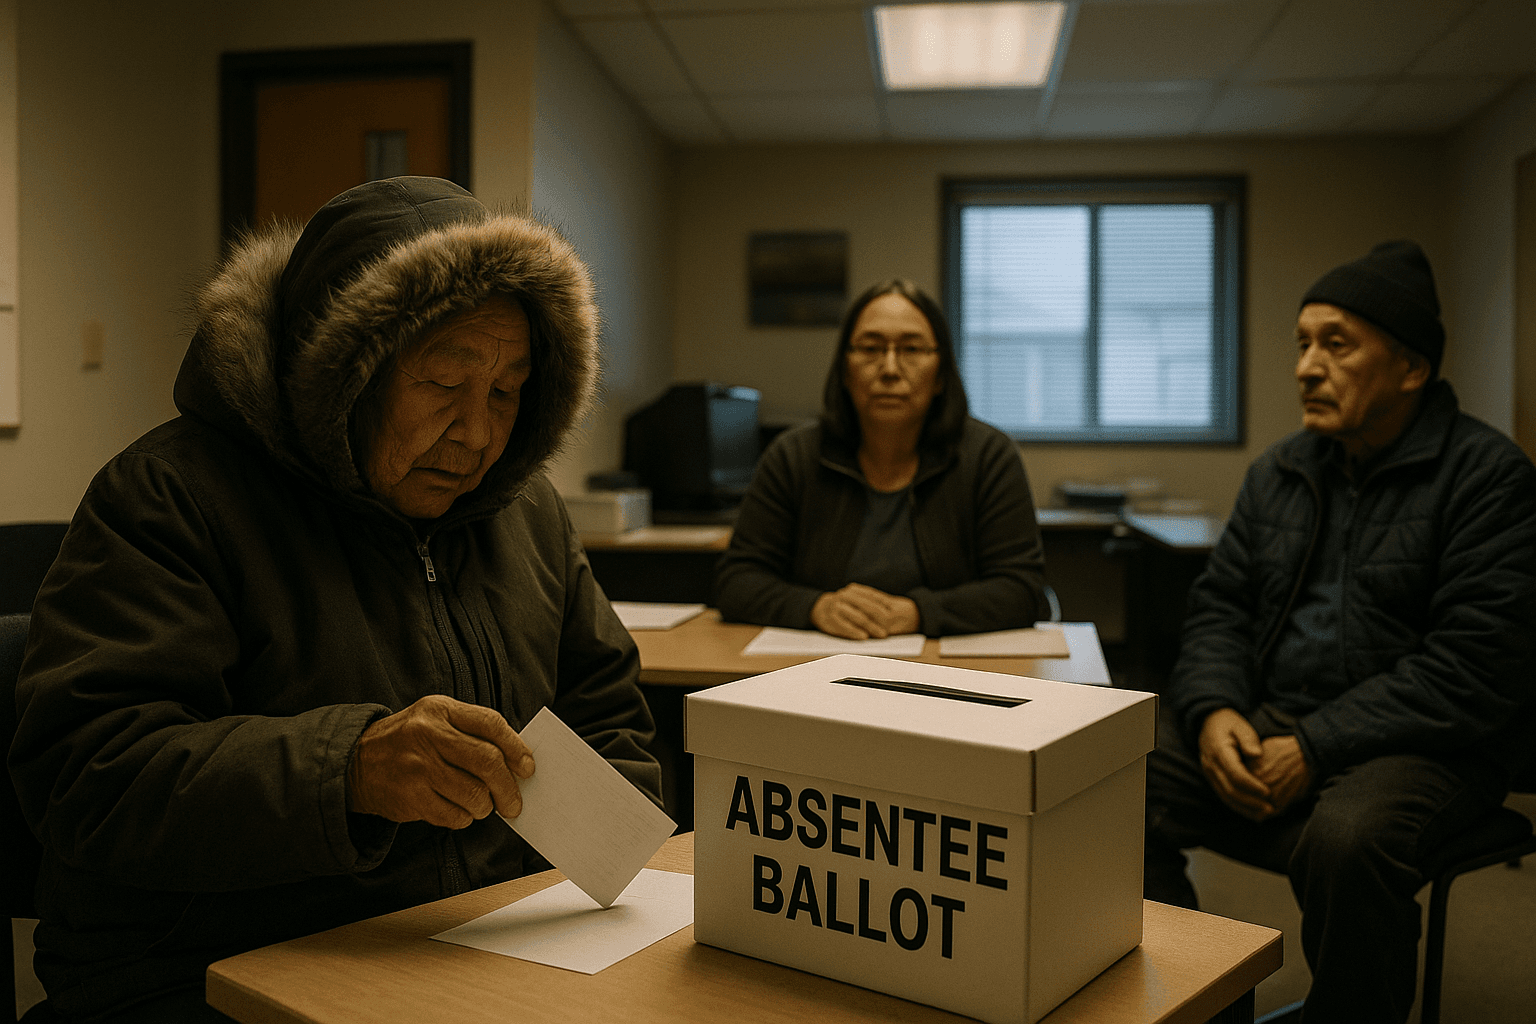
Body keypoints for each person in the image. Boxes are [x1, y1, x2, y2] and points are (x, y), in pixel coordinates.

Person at [8, 177, 662, 1023]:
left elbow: (610, 719)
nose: (478, 434)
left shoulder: (525, 513)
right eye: (444, 382)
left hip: (483, 950)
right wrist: (347, 770)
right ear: (341, 373)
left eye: (506, 392)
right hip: (209, 974)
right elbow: (89, 777)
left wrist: (608, 858)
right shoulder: (170, 498)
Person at [1143, 241, 1536, 1023]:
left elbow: (1474, 666)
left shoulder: (1488, 478)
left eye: (1336, 344)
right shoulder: (1280, 471)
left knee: (1348, 839)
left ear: (1412, 368)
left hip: (1425, 747)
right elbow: (1219, 609)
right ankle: (1199, 1002)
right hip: (1278, 720)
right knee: (1108, 772)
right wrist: (1215, 710)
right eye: (1301, 344)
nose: (1306, 367)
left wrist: (1316, 745)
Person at [716, 279, 1047, 639]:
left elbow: (1023, 591)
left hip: (946, 668)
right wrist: (816, 607)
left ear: (940, 375)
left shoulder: (988, 457)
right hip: (819, 663)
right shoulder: (793, 458)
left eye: (911, 349)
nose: (889, 368)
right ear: (845, 370)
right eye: (871, 348)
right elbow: (736, 582)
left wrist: (919, 614)